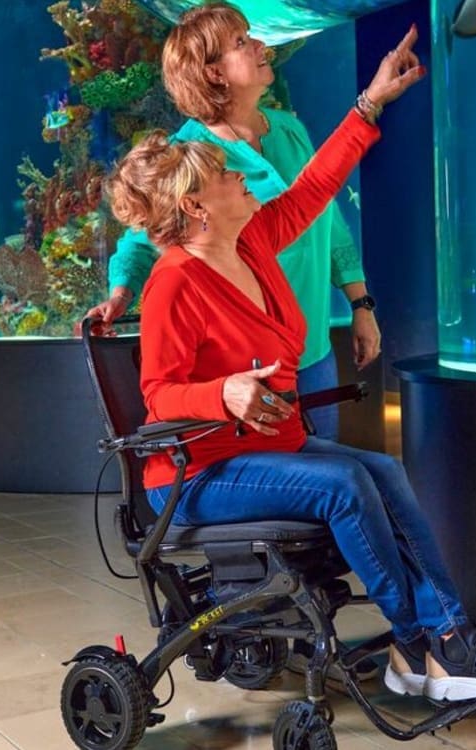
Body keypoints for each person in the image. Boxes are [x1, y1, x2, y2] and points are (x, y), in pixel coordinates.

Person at [105, 25, 476, 703]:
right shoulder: (174, 282)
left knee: (380, 468)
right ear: (197, 206)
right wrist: (223, 392)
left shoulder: (251, 242)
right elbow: (160, 395)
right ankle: (419, 642)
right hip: (197, 474)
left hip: (258, 448)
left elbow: (315, 190)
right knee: (343, 483)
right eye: (231, 177)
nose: (244, 180)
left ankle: (448, 638)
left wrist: (370, 103)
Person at [85, 1, 380, 440]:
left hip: (313, 342)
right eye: (242, 41)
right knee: (300, 481)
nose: (262, 45)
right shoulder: (191, 158)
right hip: (252, 365)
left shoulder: (287, 127)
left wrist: (361, 305)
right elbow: (144, 237)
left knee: (325, 471)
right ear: (213, 73)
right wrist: (121, 292)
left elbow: (326, 215)